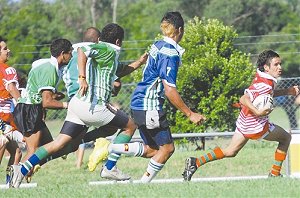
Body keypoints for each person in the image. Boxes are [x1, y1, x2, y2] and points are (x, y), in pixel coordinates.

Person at [9, 23, 147, 188]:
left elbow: (120, 70)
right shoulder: (108, 49)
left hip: (77, 104)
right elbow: (83, 52)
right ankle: (109, 167)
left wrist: (139, 62)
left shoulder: (107, 55)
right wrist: (82, 77)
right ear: (118, 41)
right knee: (130, 126)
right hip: (94, 106)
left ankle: (21, 169)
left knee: (59, 143)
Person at [107, 11, 206, 183]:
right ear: (180, 30)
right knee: (167, 149)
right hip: (149, 105)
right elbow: (170, 90)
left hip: (139, 103)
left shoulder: (158, 45)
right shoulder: (170, 53)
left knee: (153, 150)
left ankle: (139, 181)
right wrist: (190, 114)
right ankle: (113, 150)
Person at [182, 49, 300, 181]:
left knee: (230, 151)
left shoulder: (264, 77)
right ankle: (275, 174)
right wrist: (258, 111)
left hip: (244, 121)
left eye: (280, 64)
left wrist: (288, 91)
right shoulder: (264, 84)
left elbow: (267, 94)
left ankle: (195, 162)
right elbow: (243, 98)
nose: (280, 67)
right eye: (276, 64)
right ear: (266, 67)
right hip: (256, 126)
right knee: (285, 138)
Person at [0, 36, 25, 185]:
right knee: (3, 142)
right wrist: (23, 104)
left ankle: (10, 184)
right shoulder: (8, 70)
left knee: (16, 152)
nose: (8, 51)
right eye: (5, 49)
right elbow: (11, 88)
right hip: (3, 117)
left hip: (5, 118)